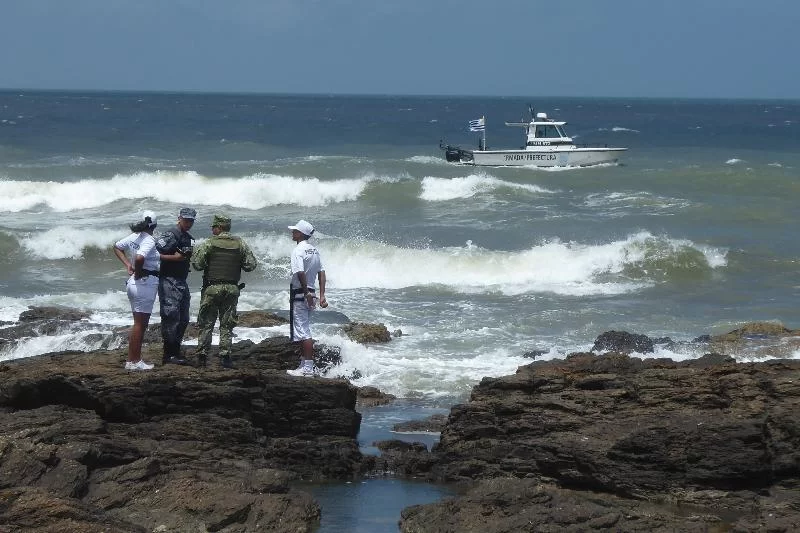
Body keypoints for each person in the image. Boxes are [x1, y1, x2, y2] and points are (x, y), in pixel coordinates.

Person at [191, 214, 258, 369]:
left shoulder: (209, 243)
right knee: (227, 324)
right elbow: (251, 265)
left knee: (207, 323)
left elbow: (198, 265)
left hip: (212, 289)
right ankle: (225, 356)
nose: (212, 230)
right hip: (232, 289)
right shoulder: (240, 243)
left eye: (213, 227)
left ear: (219, 227)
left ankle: (202, 356)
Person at [112, 211, 160, 371]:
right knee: (140, 325)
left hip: (134, 284)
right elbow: (140, 258)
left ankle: (132, 360)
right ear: (154, 225)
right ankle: (133, 361)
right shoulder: (149, 239)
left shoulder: (134, 236)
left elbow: (117, 247)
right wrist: (138, 272)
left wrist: (127, 265)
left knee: (138, 323)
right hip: (143, 284)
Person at [286, 220, 327, 377]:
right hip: (312, 292)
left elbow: (300, 272)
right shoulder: (315, 251)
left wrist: (305, 292)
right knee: (304, 328)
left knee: (303, 332)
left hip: (301, 293)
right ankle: (304, 364)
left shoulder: (298, 250)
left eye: (295, 230)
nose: (292, 232)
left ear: (301, 234)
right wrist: (321, 295)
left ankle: (308, 368)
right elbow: (322, 272)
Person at [155, 207, 196, 365]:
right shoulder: (171, 235)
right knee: (171, 316)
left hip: (181, 281)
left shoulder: (188, 237)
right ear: (179, 218)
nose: (188, 223)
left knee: (184, 318)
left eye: (191, 220)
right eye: (186, 220)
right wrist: (176, 258)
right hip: (168, 279)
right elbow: (154, 253)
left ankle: (176, 351)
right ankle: (168, 354)